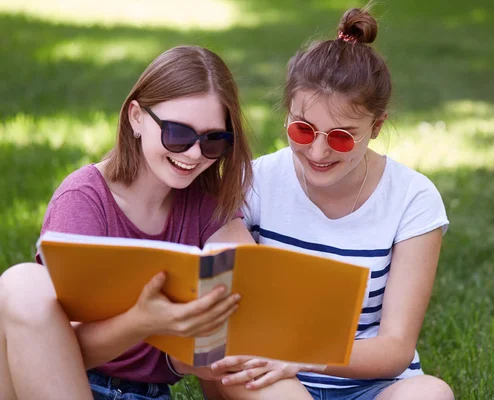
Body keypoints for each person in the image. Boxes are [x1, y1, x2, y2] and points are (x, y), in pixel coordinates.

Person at [208, 6, 455, 400]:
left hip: (374, 385)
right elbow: (218, 319)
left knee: (431, 393)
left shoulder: (414, 198)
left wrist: (304, 356)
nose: (318, 151)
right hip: (274, 381)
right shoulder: (252, 182)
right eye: (302, 129)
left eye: (341, 136)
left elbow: (394, 349)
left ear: (376, 127)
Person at [0, 45, 259, 400]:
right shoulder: (83, 199)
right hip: (66, 383)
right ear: (136, 117)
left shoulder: (206, 205)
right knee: (21, 283)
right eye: (178, 134)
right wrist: (144, 322)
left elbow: (251, 302)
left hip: (147, 394)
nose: (195, 154)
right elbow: (57, 347)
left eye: (214, 140)